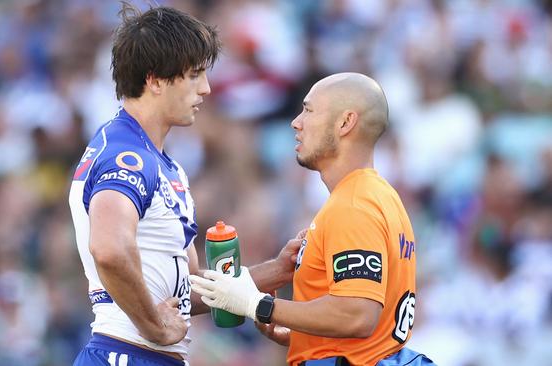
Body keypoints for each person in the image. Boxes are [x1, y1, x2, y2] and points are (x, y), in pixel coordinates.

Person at [69, 4, 300, 365]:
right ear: (155, 80)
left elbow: (187, 293)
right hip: (127, 352)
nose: (206, 89)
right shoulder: (125, 155)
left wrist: (275, 271)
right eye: (194, 75)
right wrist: (155, 326)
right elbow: (108, 249)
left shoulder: (165, 165)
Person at [190, 73, 435, 366]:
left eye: (308, 110)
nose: (296, 122)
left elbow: (357, 315)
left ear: (345, 122)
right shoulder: (377, 196)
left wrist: (259, 305)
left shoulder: (354, 205)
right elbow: (373, 329)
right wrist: (304, 336)